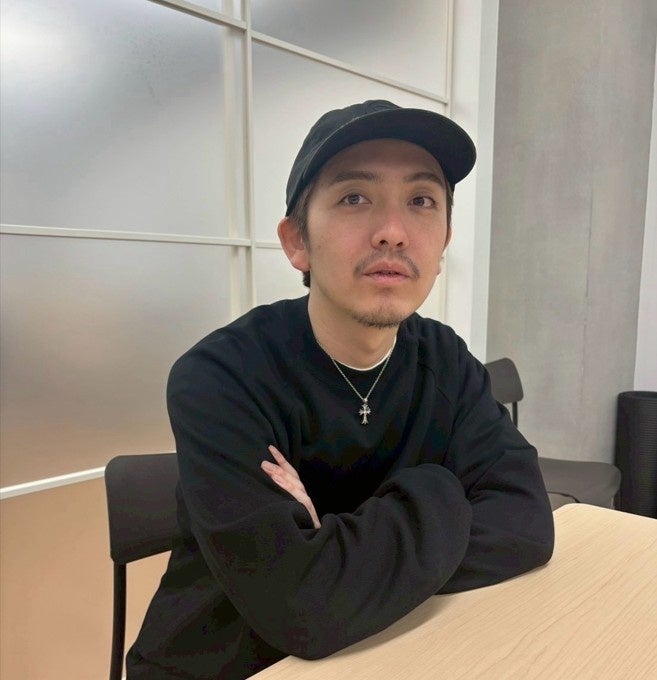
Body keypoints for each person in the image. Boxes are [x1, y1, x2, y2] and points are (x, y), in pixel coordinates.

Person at [126, 100, 554, 680]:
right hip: (227, 663)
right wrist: (444, 490)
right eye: (354, 198)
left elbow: (527, 525)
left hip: (389, 646)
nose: (393, 232)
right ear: (296, 241)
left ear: (444, 243)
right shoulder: (221, 377)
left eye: (421, 201)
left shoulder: (446, 360)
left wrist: (328, 548)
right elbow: (302, 611)